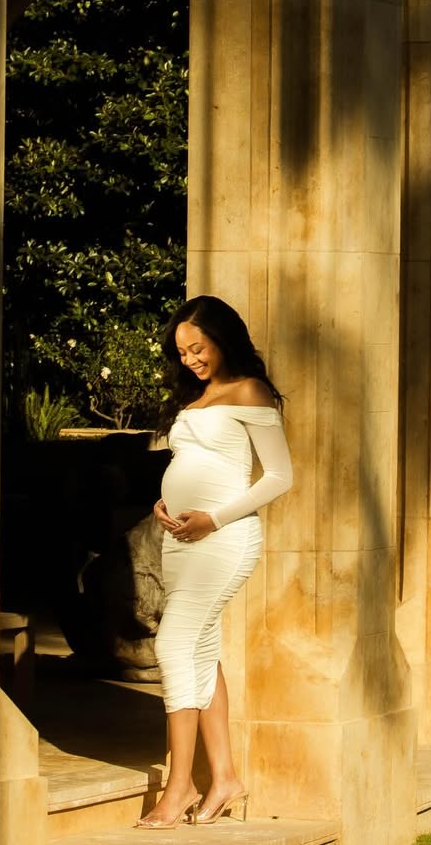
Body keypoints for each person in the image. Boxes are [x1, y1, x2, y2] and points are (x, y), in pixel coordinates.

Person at [137, 296, 293, 829]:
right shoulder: (196, 397)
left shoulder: (251, 391)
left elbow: (278, 477)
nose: (190, 360)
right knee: (200, 649)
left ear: (222, 339)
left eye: (197, 348)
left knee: (172, 644)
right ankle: (224, 776)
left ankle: (179, 786)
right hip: (180, 540)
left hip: (223, 542)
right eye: (181, 352)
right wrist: (166, 504)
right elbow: (188, 461)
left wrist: (214, 518)